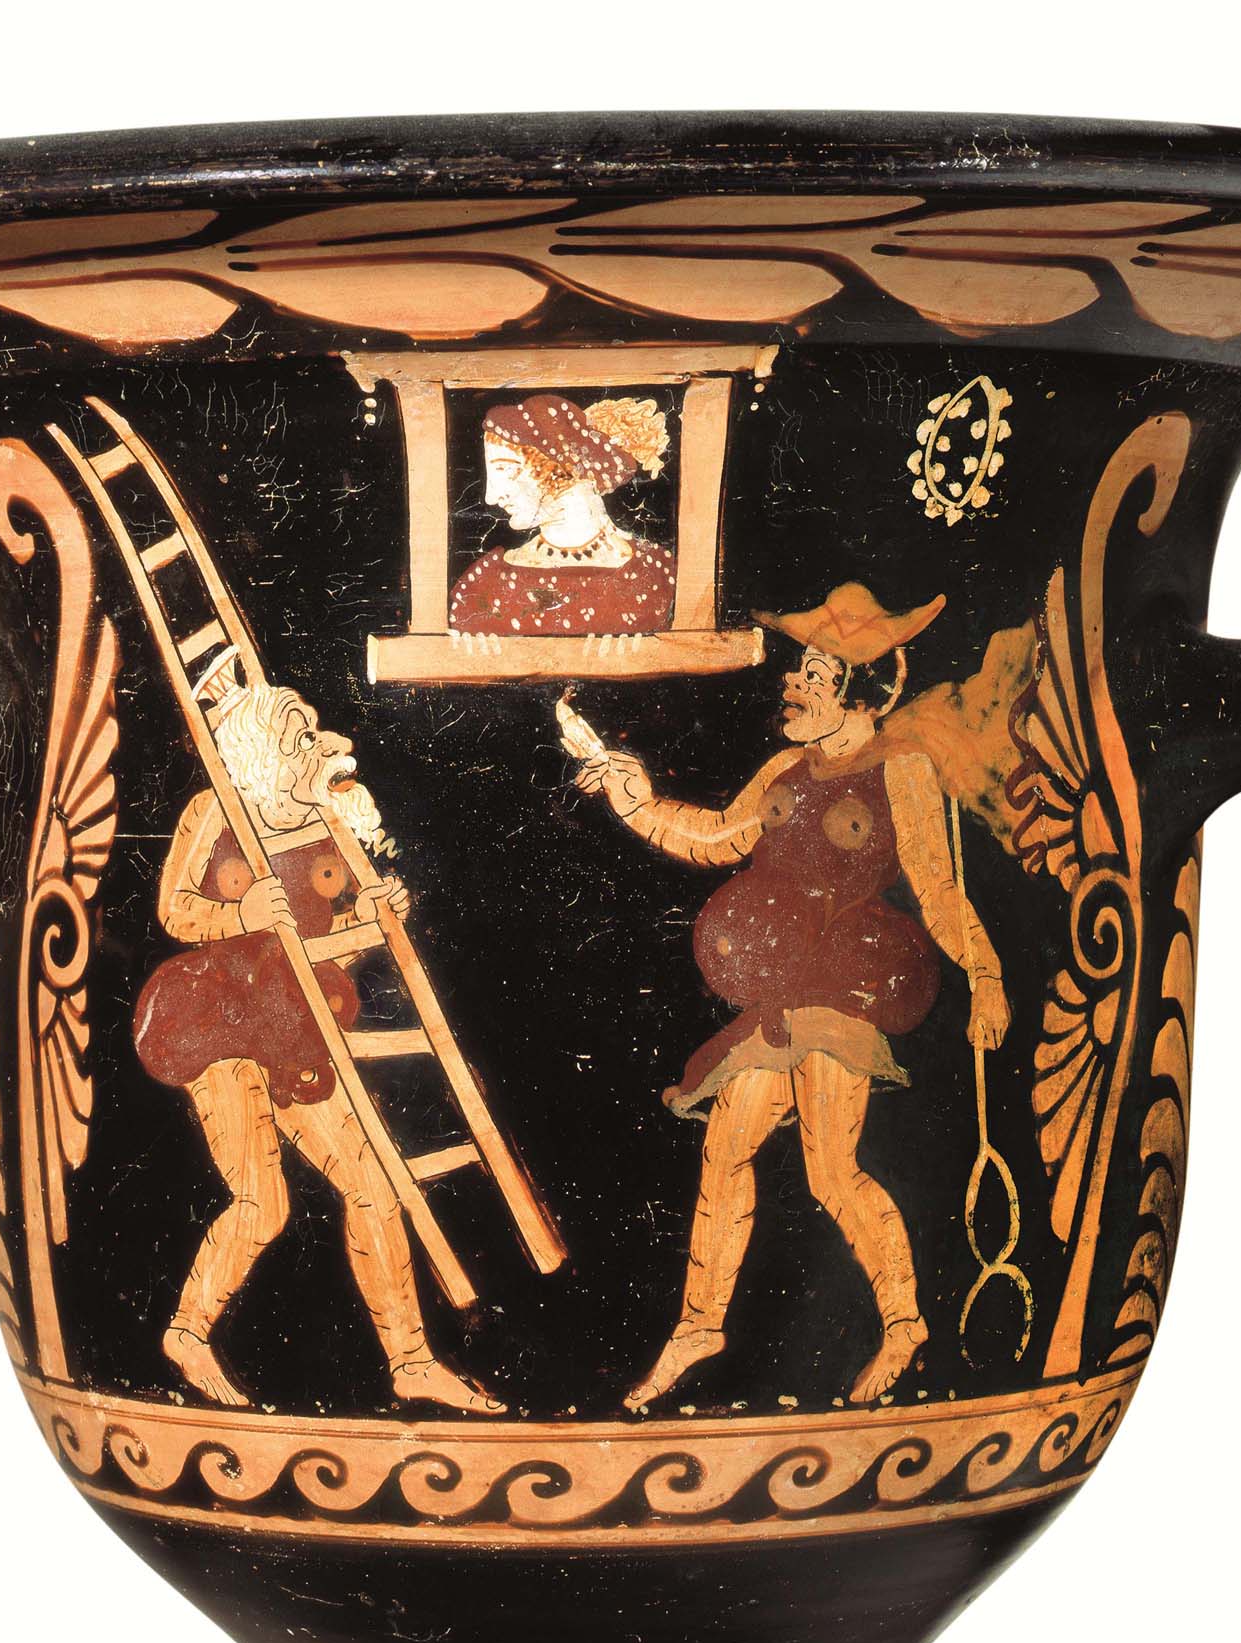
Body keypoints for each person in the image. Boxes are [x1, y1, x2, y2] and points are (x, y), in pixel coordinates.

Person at [573, 584, 1010, 1410]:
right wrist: (634, 800)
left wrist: (985, 976)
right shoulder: (783, 769)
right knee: (727, 1145)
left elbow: (937, 886)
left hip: (847, 980)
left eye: (815, 676)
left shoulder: (900, 769)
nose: (793, 685)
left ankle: (904, 1323)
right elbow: (717, 837)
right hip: (782, 985)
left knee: (831, 1171)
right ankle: (699, 1327)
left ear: (864, 695)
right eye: (799, 671)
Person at [134, 653, 502, 1416]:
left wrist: (375, 913)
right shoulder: (217, 811)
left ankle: (411, 1363)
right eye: (300, 737)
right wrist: (240, 915)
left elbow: (331, 938)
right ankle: (187, 1334)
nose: (320, 746)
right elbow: (173, 911)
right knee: (261, 1201)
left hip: (293, 1021)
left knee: (374, 1187)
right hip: (218, 1023)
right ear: (262, 750)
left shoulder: (326, 822)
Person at [450, 393, 675, 637]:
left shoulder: (657, 572)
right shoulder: (485, 583)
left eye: (506, 469)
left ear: (563, 467)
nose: (491, 496)